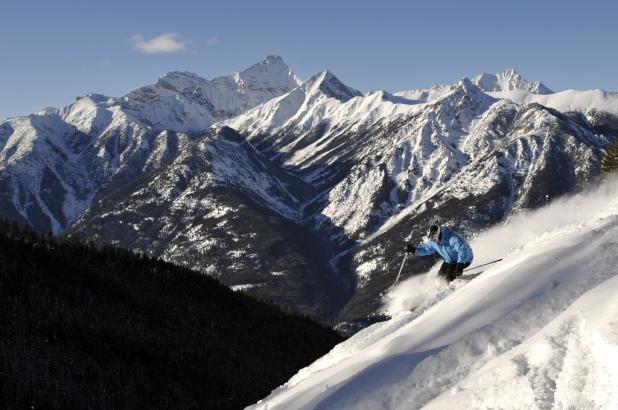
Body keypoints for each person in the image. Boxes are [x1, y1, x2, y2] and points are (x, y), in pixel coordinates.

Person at [405, 224, 473, 282]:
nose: (435, 242)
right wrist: (414, 250)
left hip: (465, 259)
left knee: (449, 277)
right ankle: (439, 290)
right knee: (440, 279)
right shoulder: (433, 242)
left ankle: (455, 289)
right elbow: (426, 249)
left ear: (438, 235)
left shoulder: (452, 238)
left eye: (434, 239)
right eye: (432, 240)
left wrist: (460, 264)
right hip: (449, 260)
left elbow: (463, 249)